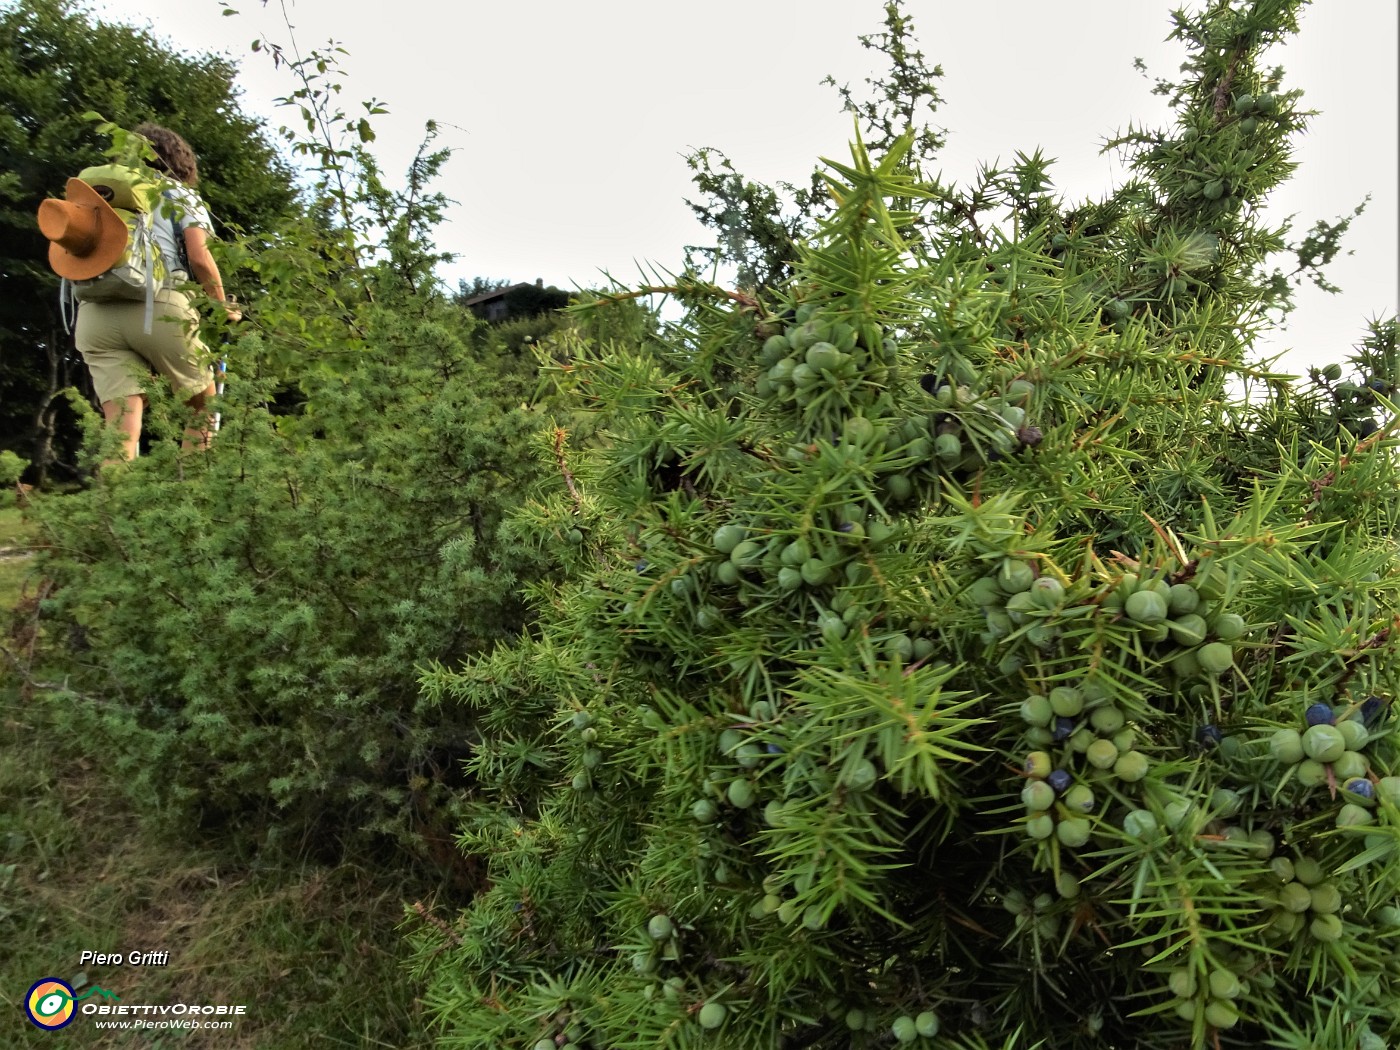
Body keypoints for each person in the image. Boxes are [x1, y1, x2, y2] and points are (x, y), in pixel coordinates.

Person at [73, 123, 239, 462]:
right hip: (161, 305)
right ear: (180, 161)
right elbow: (199, 257)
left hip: (94, 313)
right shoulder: (180, 193)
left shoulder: (103, 195)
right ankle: (193, 499)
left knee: (120, 426)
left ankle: (114, 508)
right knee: (203, 407)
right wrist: (222, 307)